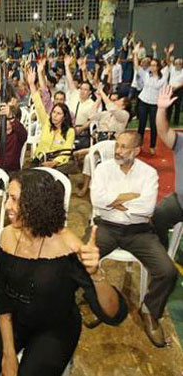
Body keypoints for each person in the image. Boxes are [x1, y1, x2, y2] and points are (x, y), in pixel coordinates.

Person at [0, 169, 127, 376]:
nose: (7, 207)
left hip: (55, 329)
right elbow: (2, 297)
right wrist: (9, 353)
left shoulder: (69, 246)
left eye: (14, 199)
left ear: (37, 204)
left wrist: (95, 274)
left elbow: (112, 314)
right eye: (7, 198)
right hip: (14, 321)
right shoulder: (8, 236)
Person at [90, 130, 178, 347]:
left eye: (123, 147)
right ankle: (96, 302)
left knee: (167, 271)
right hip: (106, 227)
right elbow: (97, 200)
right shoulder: (103, 168)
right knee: (80, 259)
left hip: (138, 232)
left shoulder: (148, 174)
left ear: (136, 150)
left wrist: (115, 204)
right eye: (116, 146)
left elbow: (147, 209)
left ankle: (149, 311)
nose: (117, 151)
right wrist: (130, 199)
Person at [27, 69, 76, 174]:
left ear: (64, 117)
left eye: (58, 114)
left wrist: (54, 162)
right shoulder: (46, 122)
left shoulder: (70, 131)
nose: (54, 116)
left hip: (58, 165)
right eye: (53, 112)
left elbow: (66, 152)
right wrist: (31, 84)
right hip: (40, 160)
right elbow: (38, 104)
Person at [153, 86, 183, 249]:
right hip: (180, 201)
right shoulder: (181, 142)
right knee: (159, 213)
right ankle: (162, 252)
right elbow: (163, 131)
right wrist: (161, 110)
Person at [133, 44, 169, 155]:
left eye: (154, 65)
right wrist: (135, 53)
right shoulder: (146, 74)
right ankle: (138, 146)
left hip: (154, 104)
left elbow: (168, 64)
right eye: (151, 65)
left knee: (154, 125)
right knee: (141, 124)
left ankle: (152, 146)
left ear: (158, 67)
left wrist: (168, 53)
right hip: (143, 101)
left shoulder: (163, 77)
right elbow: (136, 66)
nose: (152, 67)